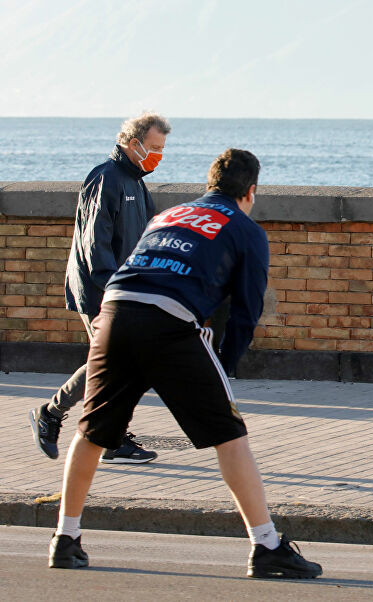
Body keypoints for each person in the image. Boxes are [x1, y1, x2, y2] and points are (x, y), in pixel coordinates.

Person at [48, 148, 321, 578]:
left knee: (92, 432)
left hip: (114, 313)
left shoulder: (168, 215)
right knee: (229, 435)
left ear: (209, 185)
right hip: (169, 322)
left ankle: (66, 538)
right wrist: (224, 364)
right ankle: (267, 546)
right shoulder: (245, 229)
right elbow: (247, 311)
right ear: (251, 192)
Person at [29, 114, 168, 465]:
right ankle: (72, 422)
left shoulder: (137, 182)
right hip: (100, 289)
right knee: (115, 361)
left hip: (125, 289)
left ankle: (95, 430)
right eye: (153, 148)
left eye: (162, 150)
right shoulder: (105, 178)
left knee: (114, 362)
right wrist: (113, 290)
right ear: (132, 142)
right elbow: (96, 244)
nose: (157, 156)